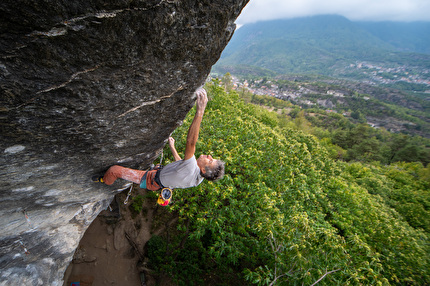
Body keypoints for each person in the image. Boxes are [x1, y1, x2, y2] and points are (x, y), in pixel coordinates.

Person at [93, 87, 225, 194]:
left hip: (150, 179)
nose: (209, 156)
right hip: (157, 179)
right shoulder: (198, 178)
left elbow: (191, 142)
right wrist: (172, 147)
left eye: (210, 160)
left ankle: (104, 181)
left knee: (114, 170)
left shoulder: (191, 168)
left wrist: (200, 111)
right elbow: (182, 164)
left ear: (203, 169)